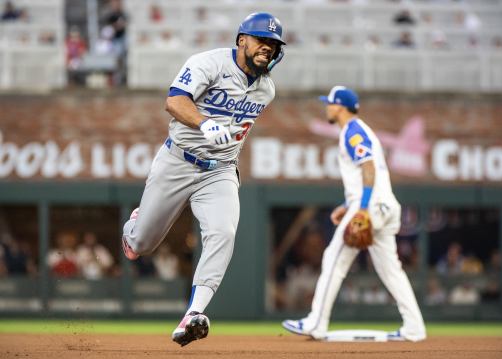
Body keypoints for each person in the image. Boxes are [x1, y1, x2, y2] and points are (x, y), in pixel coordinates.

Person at [121, 12, 285, 347]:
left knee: (223, 232)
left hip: (220, 170)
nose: (267, 48)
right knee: (141, 245)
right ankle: (134, 228)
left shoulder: (266, 90)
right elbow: (174, 100)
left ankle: (193, 314)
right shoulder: (208, 63)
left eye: (273, 44)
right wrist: (205, 123)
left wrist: (222, 142)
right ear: (242, 40)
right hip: (178, 160)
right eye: (261, 40)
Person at [282, 86, 426, 342]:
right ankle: (414, 327)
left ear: (340, 106)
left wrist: (361, 207)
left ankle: (316, 323)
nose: (327, 107)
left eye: (329, 103)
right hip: (385, 205)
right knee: (391, 270)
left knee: (333, 259)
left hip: (370, 205)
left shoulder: (353, 131)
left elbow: (368, 166)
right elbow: (368, 173)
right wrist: (349, 205)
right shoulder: (359, 130)